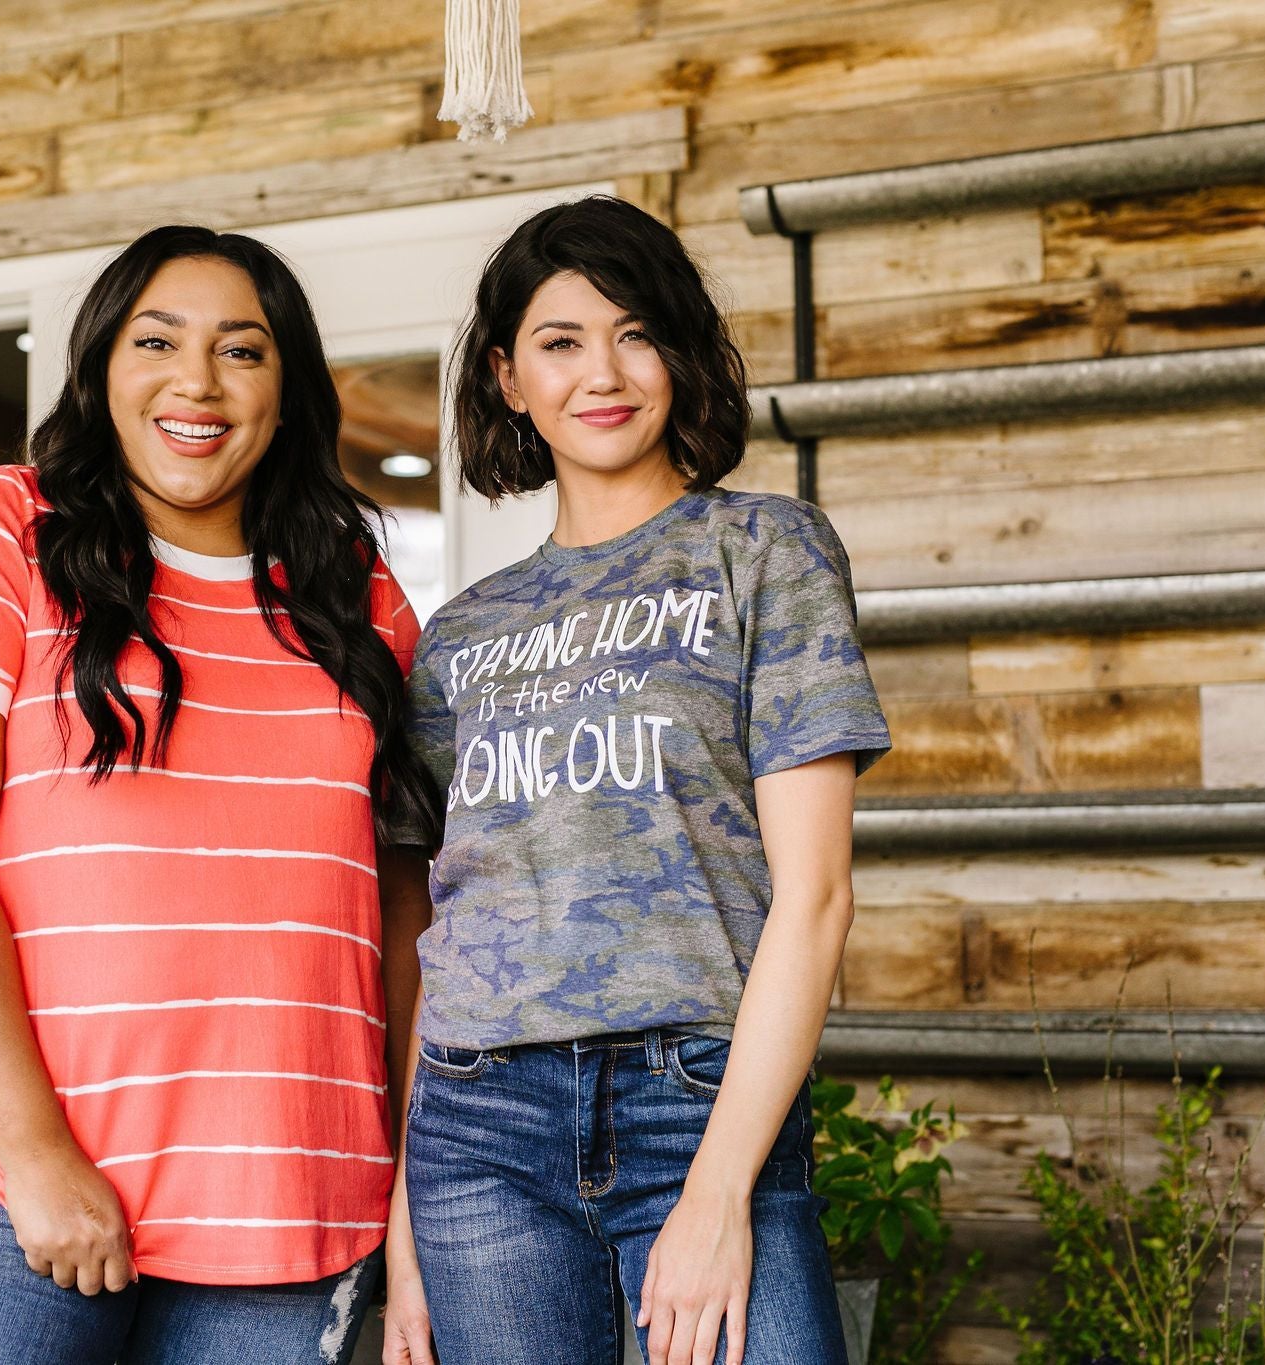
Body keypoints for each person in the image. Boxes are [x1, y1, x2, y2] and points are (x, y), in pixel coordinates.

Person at [0, 225, 438, 1365]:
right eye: (154, 340)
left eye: (242, 351)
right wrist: (34, 1154)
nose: (196, 383)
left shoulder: (355, 595)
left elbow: (400, 910)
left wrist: (414, 1186)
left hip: (287, 1203)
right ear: (100, 368)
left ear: (289, 386)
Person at [381, 196, 891, 1365]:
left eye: (633, 332)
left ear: (678, 349)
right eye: (559, 342)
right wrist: (408, 1226)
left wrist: (718, 1191)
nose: (600, 373)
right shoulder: (457, 636)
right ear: (508, 378)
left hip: (696, 1098)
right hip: (477, 1126)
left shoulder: (763, 551)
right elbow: (440, 922)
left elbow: (812, 900)